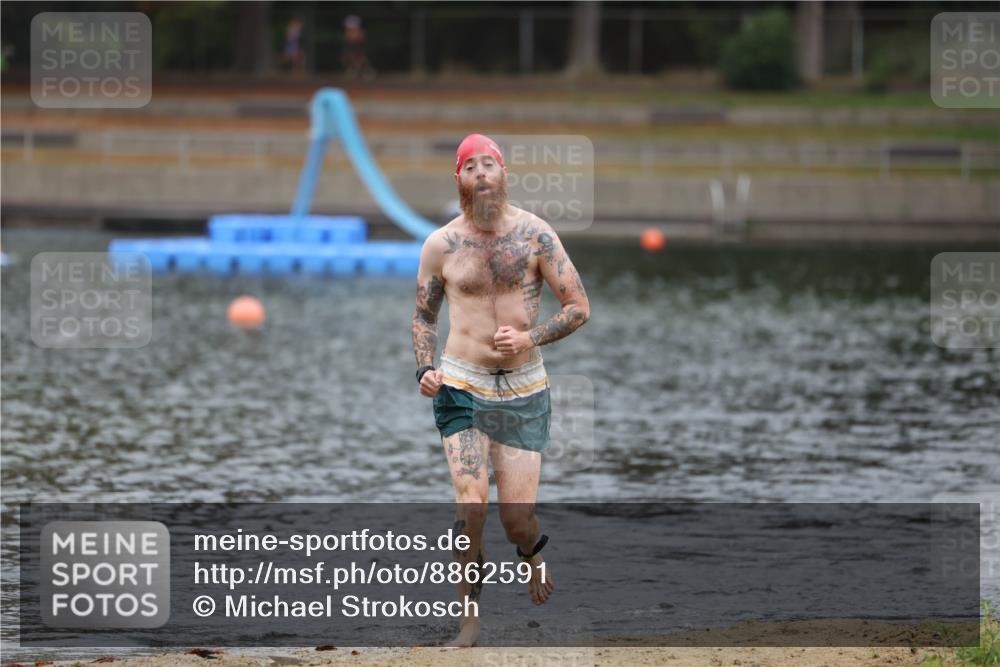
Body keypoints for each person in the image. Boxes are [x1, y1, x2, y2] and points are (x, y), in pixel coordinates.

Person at [411, 134, 590, 647]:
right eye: (472, 167)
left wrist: (530, 337)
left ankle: (531, 553)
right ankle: (469, 621)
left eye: (490, 164)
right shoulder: (440, 245)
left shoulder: (536, 235)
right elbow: (423, 317)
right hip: (461, 384)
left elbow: (579, 306)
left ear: (505, 173)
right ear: (460, 180)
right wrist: (425, 368)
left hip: (523, 389)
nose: (482, 173)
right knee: (470, 507)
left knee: (516, 520)